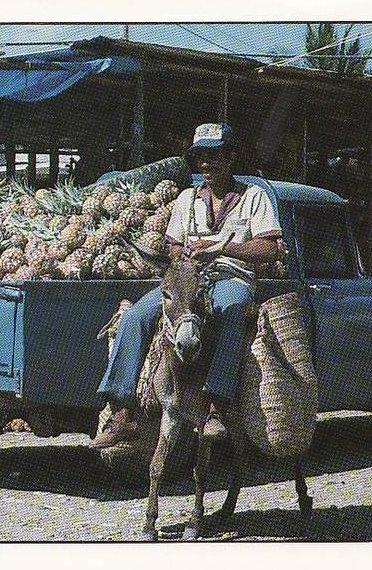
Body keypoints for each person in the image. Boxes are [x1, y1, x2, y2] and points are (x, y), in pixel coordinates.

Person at [91, 123, 282, 449]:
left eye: (215, 156)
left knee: (230, 309)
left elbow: (269, 249)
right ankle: (122, 410)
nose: (207, 164)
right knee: (137, 315)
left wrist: (221, 248)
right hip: (188, 276)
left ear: (232, 156)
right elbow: (173, 246)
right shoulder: (186, 199)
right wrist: (185, 256)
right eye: (201, 158)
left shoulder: (255, 198)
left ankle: (215, 407)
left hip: (231, 276)